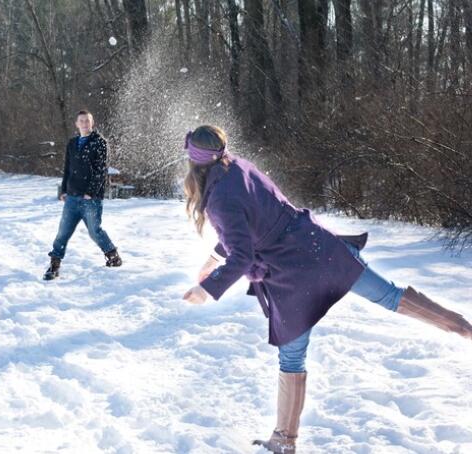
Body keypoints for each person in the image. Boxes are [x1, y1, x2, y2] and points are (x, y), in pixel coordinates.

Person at [181, 125, 472, 453]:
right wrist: (211, 259)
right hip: (320, 248)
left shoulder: (219, 197)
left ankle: (284, 441)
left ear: (194, 163)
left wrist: (206, 289)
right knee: (391, 296)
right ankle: (464, 328)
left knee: (292, 358)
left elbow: (243, 252)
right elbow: (249, 224)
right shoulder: (238, 167)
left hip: (291, 274)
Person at [44, 110, 122, 280]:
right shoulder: (72, 143)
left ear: (91, 123)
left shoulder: (99, 142)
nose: (85, 124)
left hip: (90, 199)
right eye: (81, 121)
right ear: (77, 123)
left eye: (87, 121)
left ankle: (113, 256)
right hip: (72, 197)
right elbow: (67, 168)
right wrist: (64, 190)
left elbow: (101, 170)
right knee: (62, 232)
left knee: (95, 232)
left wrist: (91, 192)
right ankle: (54, 265)